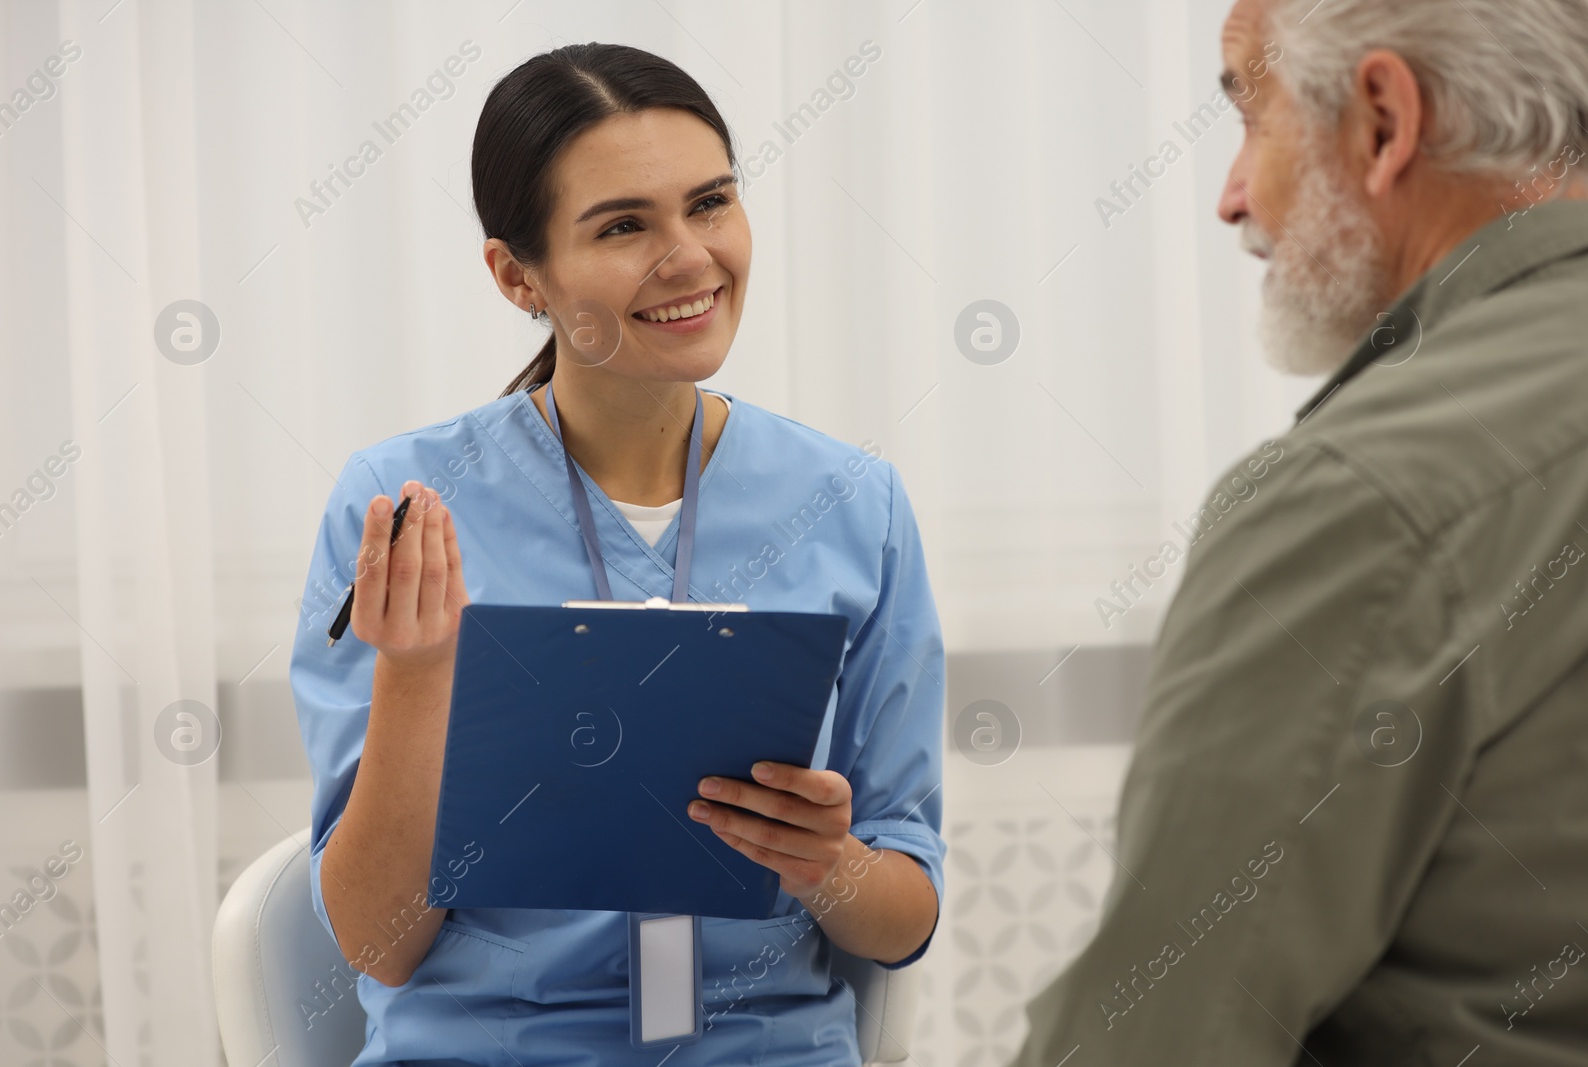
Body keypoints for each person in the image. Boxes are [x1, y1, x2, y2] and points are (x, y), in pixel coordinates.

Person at [290, 43, 944, 1065]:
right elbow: (379, 941)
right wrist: (417, 675)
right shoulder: (402, 509)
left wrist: (830, 863)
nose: (690, 257)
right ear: (517, 275)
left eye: (712, 203)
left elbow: (903, 919)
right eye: (625, 225)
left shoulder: (855, 504)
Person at [1012, 0, 1588, 1063]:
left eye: (1249, 119)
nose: (1232, 198)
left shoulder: (1358, 496)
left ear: (1381, 118)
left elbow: (1154, 1039)